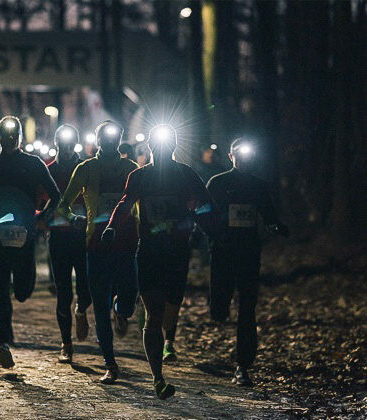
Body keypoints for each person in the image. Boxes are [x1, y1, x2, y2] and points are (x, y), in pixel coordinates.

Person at [102, 124, 217, 399]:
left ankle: (168, 345)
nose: (161, 150)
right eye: (157, 145)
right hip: (150, 253)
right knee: (154, 315)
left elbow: (206, 203)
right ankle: (157, 378)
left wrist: (209, 226)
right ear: (150, 148)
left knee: (170, 310)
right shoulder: (140, 176)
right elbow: (125, 203)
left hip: (177, 253)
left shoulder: (185, 174)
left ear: (173, 147)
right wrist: (112, 226)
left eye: (166, 145)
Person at [0, 116, 60, 368]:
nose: (8, 140)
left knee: (23, 290)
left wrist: (42, 218)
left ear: (18, 137)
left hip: (26, 235)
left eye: (12, 135)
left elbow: (55, 194)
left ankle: (9, 328)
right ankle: (3, 343)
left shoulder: (34, 164)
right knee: (1, 290)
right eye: (5, 136)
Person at [57, 120, 139, 384]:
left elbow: (142, 203)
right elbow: (63, 204)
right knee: (100, 307)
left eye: (113, 137)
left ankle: (122, 309)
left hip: (127, 246)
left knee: (128, 298)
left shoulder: (131, 169)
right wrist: (73, 218)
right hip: (96, 247)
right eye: (104, 137)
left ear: (120, 139)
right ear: (98, 139)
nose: (109, 141)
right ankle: (110, 364)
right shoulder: (86, 168)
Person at [206, 138, 289, 386]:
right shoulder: (218, 183)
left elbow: (268, 213)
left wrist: (277, 226)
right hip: (222, 252)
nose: (243, 159)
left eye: (248, 155)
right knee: (219, 308)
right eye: (238, 155)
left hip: (249, 254)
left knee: (247, 308)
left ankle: (243, 365)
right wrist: (212, 233)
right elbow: (204, 213)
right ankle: (218, 307)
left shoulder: (258, 186)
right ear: (231, 157)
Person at [46, 124, 91, 363]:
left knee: (86, 286)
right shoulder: (48, 170)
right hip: (58, 237)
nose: (65, 147)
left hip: (81, 234)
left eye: (69, 143)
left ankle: (82, 309)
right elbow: (39, 198)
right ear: (56, 144)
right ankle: (66, 343)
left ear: (75, 144)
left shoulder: (85, 168)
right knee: (63, 290)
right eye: (61, 143)